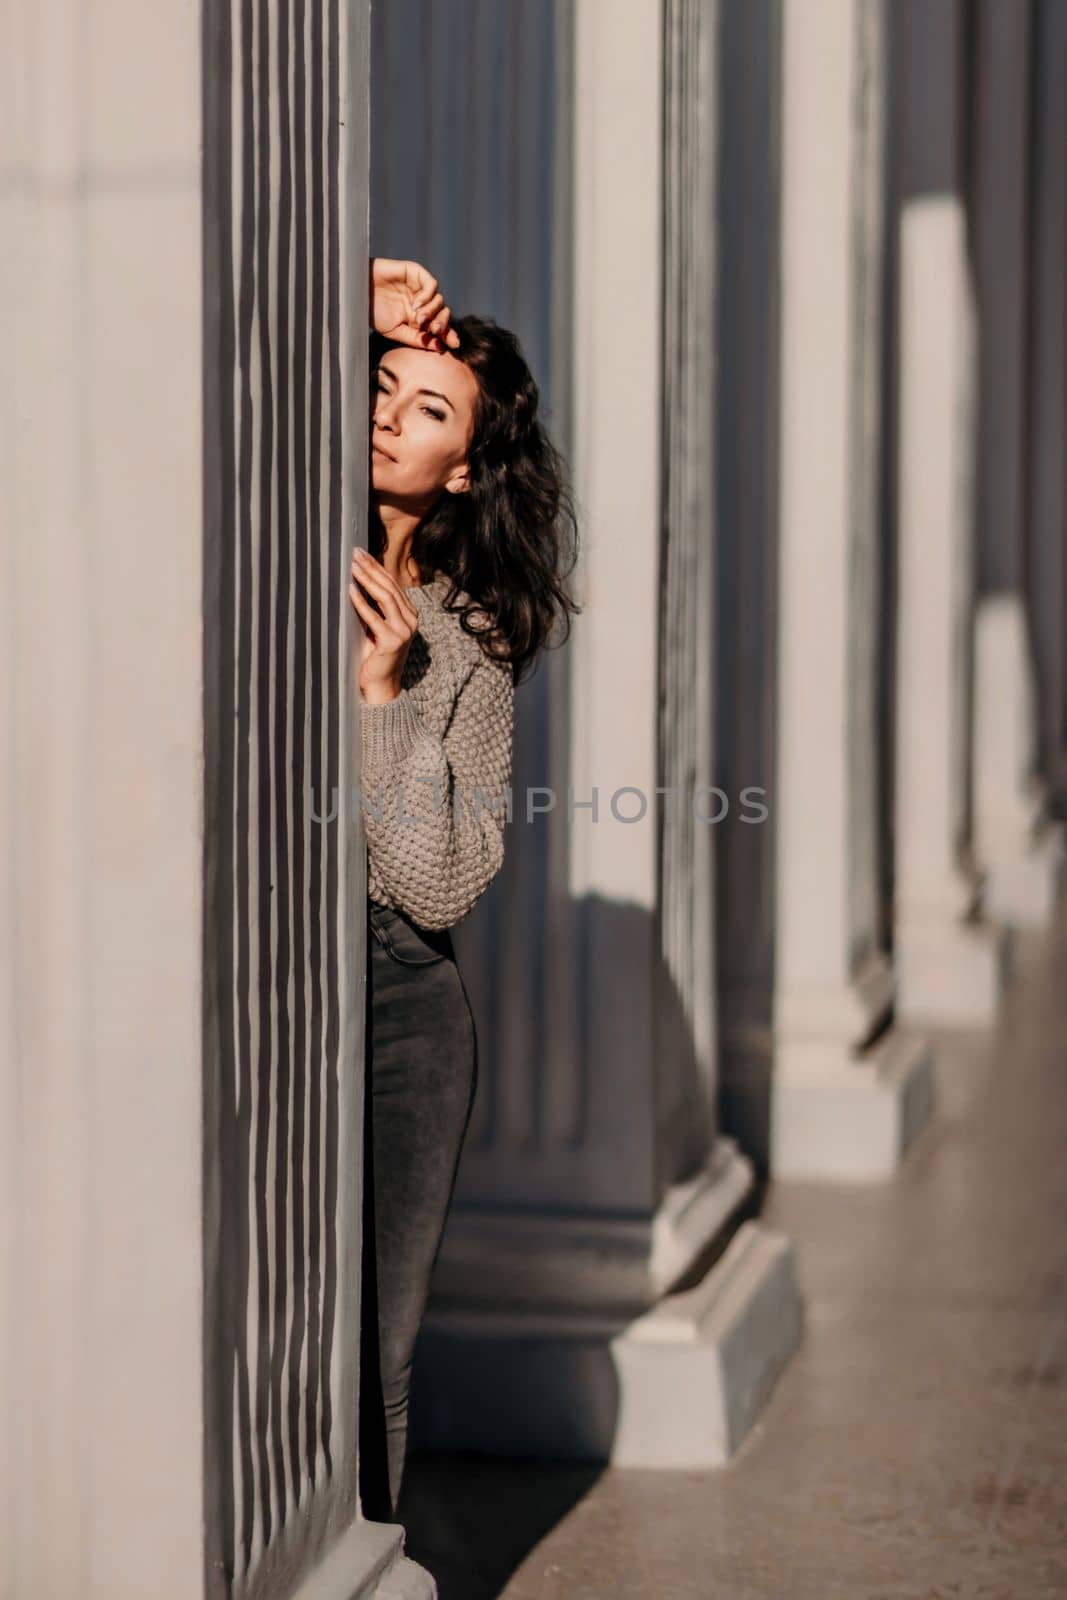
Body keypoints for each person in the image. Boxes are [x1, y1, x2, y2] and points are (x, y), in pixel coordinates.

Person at [354, 260, 581, 1521]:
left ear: (462, 470)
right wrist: (362, 286)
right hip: (274, 979)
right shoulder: (286, 532)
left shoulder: (469, 639)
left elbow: (438, 877)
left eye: (429, 407)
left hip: (403, 1011)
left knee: (374, 1351)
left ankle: (372, 1558)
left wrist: (384, 698)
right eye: (383, 385)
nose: (391, 410)